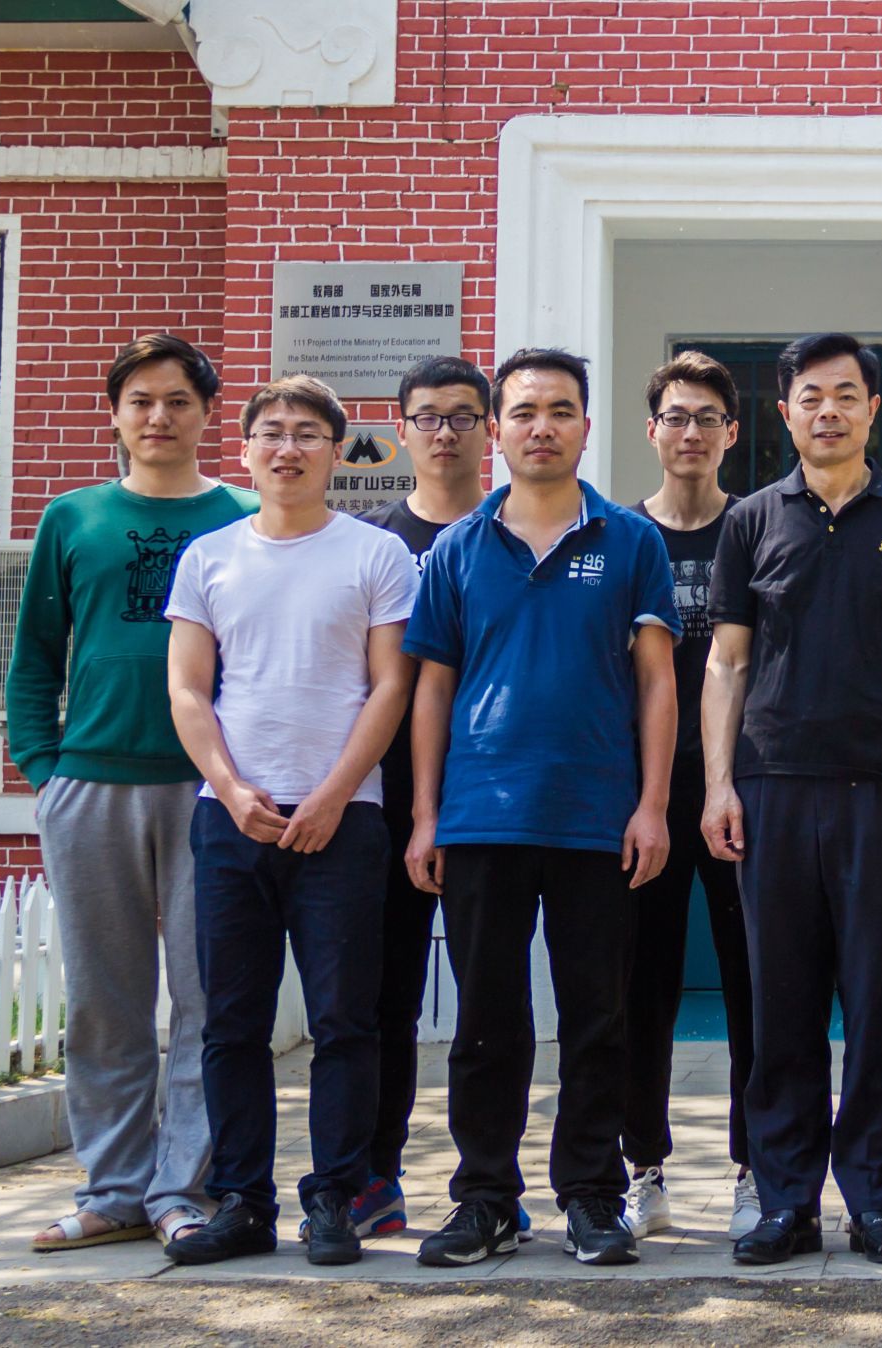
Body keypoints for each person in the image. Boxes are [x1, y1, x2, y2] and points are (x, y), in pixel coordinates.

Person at [403, 348, 680, 1269]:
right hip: (481, 816)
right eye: (523, 412)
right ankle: (485, 1198)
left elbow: (657, 682)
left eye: (560, 410)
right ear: (498, 429)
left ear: (586, 428)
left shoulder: (630, 540)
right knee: (486, 1020)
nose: (542, 427)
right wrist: (426, 814)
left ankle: (593, 1196)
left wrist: (652, 804)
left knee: (598, 1018)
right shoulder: (458, 547)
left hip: (597, 816)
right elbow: (433, 686)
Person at [702, 333, 882, 1267]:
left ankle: (876, 1202)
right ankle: (785, 1202)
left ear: (873, 410)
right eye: (811, 396)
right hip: (772, 790)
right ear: (786, 413)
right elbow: (726, 663)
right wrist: (719, 784)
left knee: (881, 1006)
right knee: (782, 1007)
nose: (829, 411)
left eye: (847, 395)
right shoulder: (751, 521)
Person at [160, 375, 418, 1265]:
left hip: (345, 822)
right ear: (244, 450)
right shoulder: (209, 558)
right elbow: (189, 689)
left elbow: (391, 684)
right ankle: (242, 1200)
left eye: (308, 433)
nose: (288, 448)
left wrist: (336, 792)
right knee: (231, 1023)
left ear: (337, 452)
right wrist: (232, 790)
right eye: (271, 432)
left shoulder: (377, 554)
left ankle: (335, 1198)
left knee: (346, 1020)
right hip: (231, 821)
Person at [8, 334, 255, 1254]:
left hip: (211, 792)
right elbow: (34, 658)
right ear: (114, 414)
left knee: (207, 999)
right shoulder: (73, 518)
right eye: (141, 400)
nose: (159, 417)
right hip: (92, 785)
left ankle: (179, 1189)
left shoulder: (243, 516)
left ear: (207, 415)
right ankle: (112, 1189)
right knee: (104, 1001)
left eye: (179, 401)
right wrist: (45, 769)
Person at [343, 356, 493, 1241]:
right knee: (386, 996)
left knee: (488, 1001)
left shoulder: (517, 531)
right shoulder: (371, 543)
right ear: (401, 430)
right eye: (429, 416)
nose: (445, 432)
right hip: (385, 797)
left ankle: (490, 1184)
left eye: (463, 416)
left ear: (488, 430)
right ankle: (377, 1174)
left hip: (495, 796)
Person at [620, 351, 760, 1239]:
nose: (692, 432)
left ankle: (755, 1168)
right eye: (676, 416)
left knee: (755, 986)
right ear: (652, 431)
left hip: (743, 793)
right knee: (643, 986)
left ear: (731, 433)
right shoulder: (619, 535)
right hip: (645, 797)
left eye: (708, 417)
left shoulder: (758, 528)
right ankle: (643, 1167)